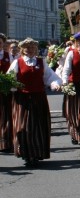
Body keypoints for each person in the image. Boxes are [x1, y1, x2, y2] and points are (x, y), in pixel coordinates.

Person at [7, 38, 62, 166]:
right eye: (27, 47)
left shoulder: (41, 62)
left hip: (38, 98)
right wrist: (13, 86)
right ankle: (26, 153)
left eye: (32, 47)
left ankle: (36, 153)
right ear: (22, 49)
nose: (30, 50)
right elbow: (9, 79)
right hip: (23, 99)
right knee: (24, 126)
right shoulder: (17, 62)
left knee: (38, 126)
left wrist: (55, 84)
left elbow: (50, 77)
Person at [0, 33, 13, 152]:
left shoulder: (8, 55)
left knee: (5, 114)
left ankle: (5, 141)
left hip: (5, 90)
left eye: (0, 43)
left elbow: (12, 73)